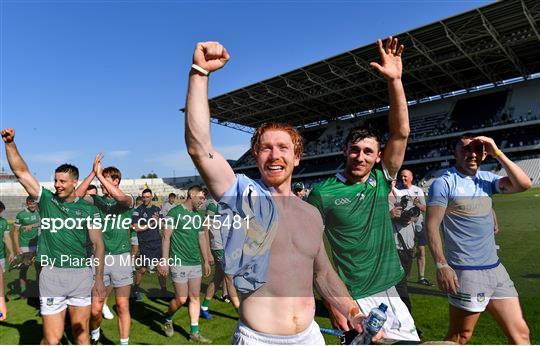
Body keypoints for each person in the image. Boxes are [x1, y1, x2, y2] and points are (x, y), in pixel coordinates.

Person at [184, 41, 375, 345]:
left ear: (297, 157)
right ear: (255, 156)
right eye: (265, 148)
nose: (274, 155)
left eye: (283, 147)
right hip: (259, 338)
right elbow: (200, 148)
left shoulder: (311, 213)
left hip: (311, 336)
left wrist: (353, 311)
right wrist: (199, 74)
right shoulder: (243, 195)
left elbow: (324, 275)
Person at [308, 37, 420, 342]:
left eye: (368, 151)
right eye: (355, 150)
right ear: (345, 150)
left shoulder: (383, 177)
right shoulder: (323, 193)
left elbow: (401, 132)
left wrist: (395, 81)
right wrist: (333, 300)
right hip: (355, 294)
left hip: (394, 284)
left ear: (378, 156)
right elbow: (311, 251)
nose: (360, 157)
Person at [1, 128, 105, 344]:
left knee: (81, 335)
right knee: (52, 339)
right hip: (51, 277)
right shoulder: (47, 200)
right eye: (56, 181)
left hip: (81, 276)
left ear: (74, 182)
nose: (57, 185)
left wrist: (98, 280)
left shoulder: (88, 210)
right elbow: (22, 172)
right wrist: (10, 144)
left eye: (62, 181)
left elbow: (98, 245)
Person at [426, 134, 531, 344]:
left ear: (484, 154)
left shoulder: (487, 179)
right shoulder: (444, 183)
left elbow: (524, 184)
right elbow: (431, 225)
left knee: (521, 336)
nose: (472, 154)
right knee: (459, 337)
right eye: (465, 149)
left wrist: (497, 152)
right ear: (454, 153)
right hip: (467, 273)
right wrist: (441, 265)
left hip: (496, 269)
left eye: (477, 149)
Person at [76, 154, 135, 345]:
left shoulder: (128, 199)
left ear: (116, 180)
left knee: (122, 305)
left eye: (105, 179)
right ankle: (95, 334)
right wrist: (93, 174)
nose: (101, 183)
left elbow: (121, 198)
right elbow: (75, 196)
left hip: (121, 259)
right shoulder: (96, 201)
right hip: (99, 259)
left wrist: (100, 176)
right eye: (101, 179)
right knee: (95, 308)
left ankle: (124, 343)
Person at [159, 185, 212, 343]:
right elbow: (166, 237)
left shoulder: (199, 215)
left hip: (195, 262)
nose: (202, 202)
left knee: (195, 297)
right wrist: (164, 261)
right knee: (181, 299)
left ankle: (194, 332)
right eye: (200, 198)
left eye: (204, 199)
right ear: (191, 194)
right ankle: (168, 318)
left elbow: (202, 238)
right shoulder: (174, 212)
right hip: (179, 261)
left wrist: (206, 261)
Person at [200, 198, 240, 320]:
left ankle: (204, 307)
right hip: (218, 247)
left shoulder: (228, 202)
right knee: (229, 278)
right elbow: (205, 229)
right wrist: (207, 253)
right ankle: (241, 314)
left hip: (227, 246)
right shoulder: (213, 205)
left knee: (218, 278)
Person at [396, 170, 431, 286]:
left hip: (418, 224)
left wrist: (416, 204)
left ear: (411, 177)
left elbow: (426, 209)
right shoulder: (397, 190)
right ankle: (403, 276)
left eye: (405, 176)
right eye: (401, 176)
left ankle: (421, 277)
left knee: (421, 250)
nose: (403, 178)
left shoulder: (418, 190)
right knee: (404, 250)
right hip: (404, 225)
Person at [132, 188, 167, 300]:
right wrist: (149, 224)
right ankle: (136, 289)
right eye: (144, 197)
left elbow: (163, 226)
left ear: (152, 197)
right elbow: (136, 228)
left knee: (160, 268)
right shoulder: (138, 210)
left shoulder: (157, 209)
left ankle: (164, 291)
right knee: (142, 269)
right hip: (145, 244)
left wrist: (158, 222)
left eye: (148, 196)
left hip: (156, 242)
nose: (145, 198)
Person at [12, 196, 41, 297]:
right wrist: (17, 247)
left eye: (34, 203)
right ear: (27, 203)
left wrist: (33, 226)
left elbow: (43, 223)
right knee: (24, 268)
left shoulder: (39, 212)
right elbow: (15, 232)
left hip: (38, 244)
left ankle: (39, 291)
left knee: (39, 268)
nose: (32, 205)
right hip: (25, 245)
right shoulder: (21, 214)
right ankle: (23, 291)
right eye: (30, 203)